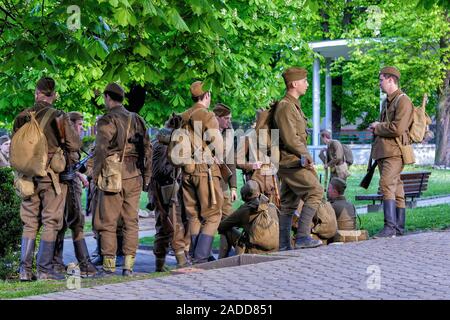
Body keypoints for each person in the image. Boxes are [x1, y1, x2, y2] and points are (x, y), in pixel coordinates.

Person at [13, 77, 81, 280]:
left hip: (27, 177)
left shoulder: (21, 116)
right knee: (51, 221)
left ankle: (24, 270)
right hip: (52, 178)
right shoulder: (58, 116)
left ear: (37, 93)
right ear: (54, 94)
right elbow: (75, 145)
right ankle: (44, 270)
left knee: (30, 223)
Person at [93, 83, 152, 276]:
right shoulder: (138, 119)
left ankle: (109, 267)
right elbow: (148, 150)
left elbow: (100, 150)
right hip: (134, 174)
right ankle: (128, 267)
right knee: (131, 222)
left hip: (112, 174)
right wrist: (147, 176)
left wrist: (95, 175)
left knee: (108, 222)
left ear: (108, 97)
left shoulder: (106, 120)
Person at [273, 67, 324, 250]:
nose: (307, 84)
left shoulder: (292, 105)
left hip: (290, 161)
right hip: (291, 161)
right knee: (316, 191)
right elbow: (290, 138)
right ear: (294, 84)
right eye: (304, 81)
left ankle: (284, 245)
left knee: (288, 204)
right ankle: (302, 236)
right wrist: (307, 156)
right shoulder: (285, 106)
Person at [180, 81, 223, 264]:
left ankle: (195, 255)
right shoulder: (206, 115)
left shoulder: (183, 116)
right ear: (206, 96)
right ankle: (201, 255)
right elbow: (217, 143)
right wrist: (219, 155)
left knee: (194, 214)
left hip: (186, 171)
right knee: (213, 214)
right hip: (204, 171)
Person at [369, 66, 414, 238]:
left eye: (381, 80)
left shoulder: (403, 101)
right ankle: (398, 228)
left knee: (386, 185)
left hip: (394, 152)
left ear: (391, 80)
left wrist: (378, 127)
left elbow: (398, 128)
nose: (379, 83)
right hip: (384, 151)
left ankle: (389, 228)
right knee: (396, 189)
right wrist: (376, 127)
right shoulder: (387, 101)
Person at [52, 112, 98, 277]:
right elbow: (69, 166)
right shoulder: (69, 144)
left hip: (65, 185)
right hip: (68, 187)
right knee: (77, 223)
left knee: (62, 225)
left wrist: (80, 173)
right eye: (79, 124)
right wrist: (80, 173)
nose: (82, 128)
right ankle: (84, 264)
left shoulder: (63, 142)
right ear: (71, 125)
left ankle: (56, 262)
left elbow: (74, 166)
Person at [151, 114, 190, 271]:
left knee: (163, 226)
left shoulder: (160, 143)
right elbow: (160, 171)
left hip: (163, 188)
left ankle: (159, 265)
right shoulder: (163, 145)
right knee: (174, 225)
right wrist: (177, 165)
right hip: (166, 189)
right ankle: (181, 260)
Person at [218, 180, 279, 254]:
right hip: (276, 249)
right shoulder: (271, 205)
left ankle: (222, 261)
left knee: (226, 231)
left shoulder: (244, 210)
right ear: (258, 192)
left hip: (254, 251)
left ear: (244, 196)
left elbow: (221, 226)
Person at [212, 103, 238, 258]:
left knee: (229, 221)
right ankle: (201, 256)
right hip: (207, 184)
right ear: (217, 118)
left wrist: (233, 186)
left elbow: (230, 161)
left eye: (230, 119)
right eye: (226, 119)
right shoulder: (205, 131)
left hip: (223, 185)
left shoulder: (228, 133)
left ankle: (226, 255)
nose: (229, 122)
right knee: (207, 221)